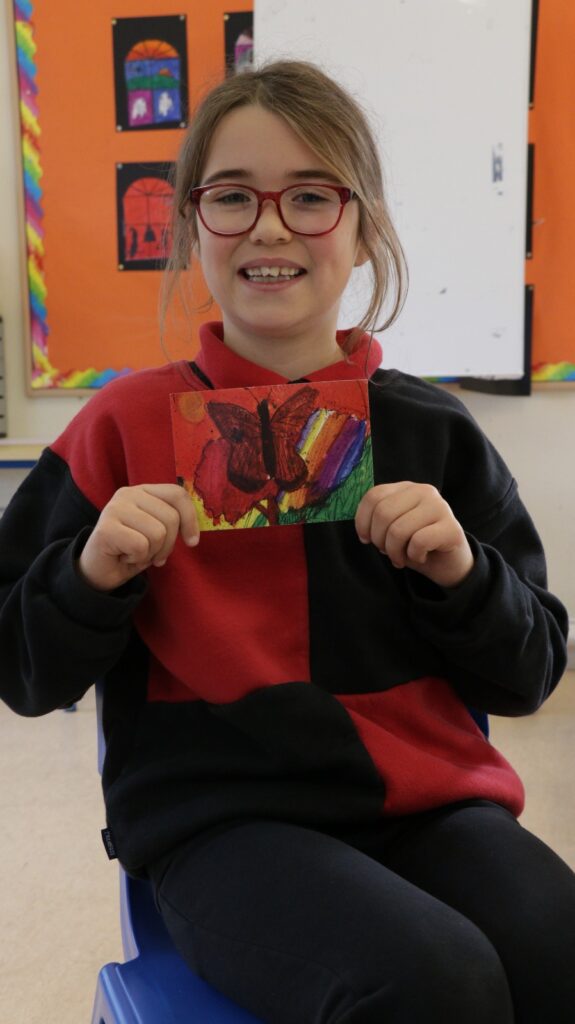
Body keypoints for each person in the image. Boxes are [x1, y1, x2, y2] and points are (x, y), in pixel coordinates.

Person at [1, 59, 574, 1023]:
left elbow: (529, 676)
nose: (269, 226)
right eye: (232, 197)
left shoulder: (430, 431)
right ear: (191, 227)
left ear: (364, 230)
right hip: (222, 826)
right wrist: (91, 575)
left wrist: (462, 574)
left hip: (429, 806)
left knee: (558, 949)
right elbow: (21, 673)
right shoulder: (122, 426)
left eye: (311, 196)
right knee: (436, 982)